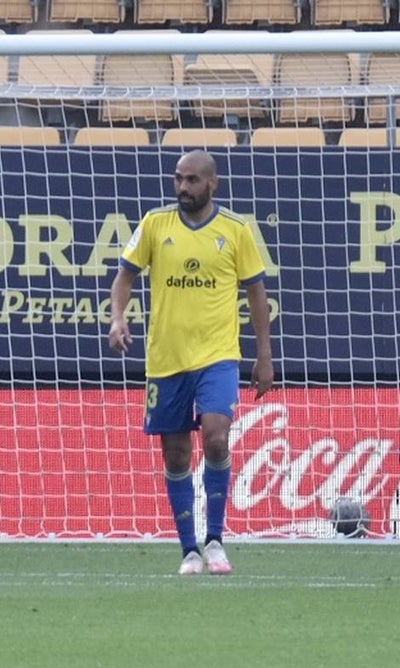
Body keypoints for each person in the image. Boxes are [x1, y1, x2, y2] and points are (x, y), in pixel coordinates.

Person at [108, 150, 274, 576]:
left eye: (193, 180)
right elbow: (124, 278)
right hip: (166, 358)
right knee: (177, 454)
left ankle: (216, 540)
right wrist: (118, 318)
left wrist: (263, 355)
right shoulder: (154, 223)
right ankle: (189, 550)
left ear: (212, 184)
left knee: (217, 437)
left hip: (218, 355)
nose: (183, 187)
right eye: (179, 179)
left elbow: (255, 293)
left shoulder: (236, 231)